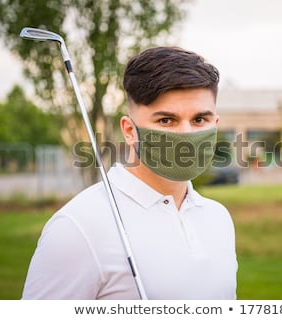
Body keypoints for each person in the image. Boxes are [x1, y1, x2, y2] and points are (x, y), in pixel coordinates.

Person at [22, 47, 238, 300]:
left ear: (215, 124)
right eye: (166, 121)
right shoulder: (76, 228)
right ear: (129, 130)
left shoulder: (218, 218)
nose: (187, 135)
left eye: (200, 120)